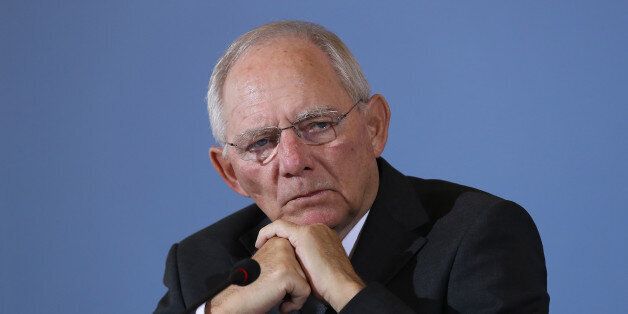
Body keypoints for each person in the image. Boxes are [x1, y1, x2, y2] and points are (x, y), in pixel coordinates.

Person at [154, 20, 549, 314]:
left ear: (374, 126)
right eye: (262, 143)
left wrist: (346, 288)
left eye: (318, 125)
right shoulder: (200, 266)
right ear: (231, 173)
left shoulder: (480, 235)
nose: (293, 162)